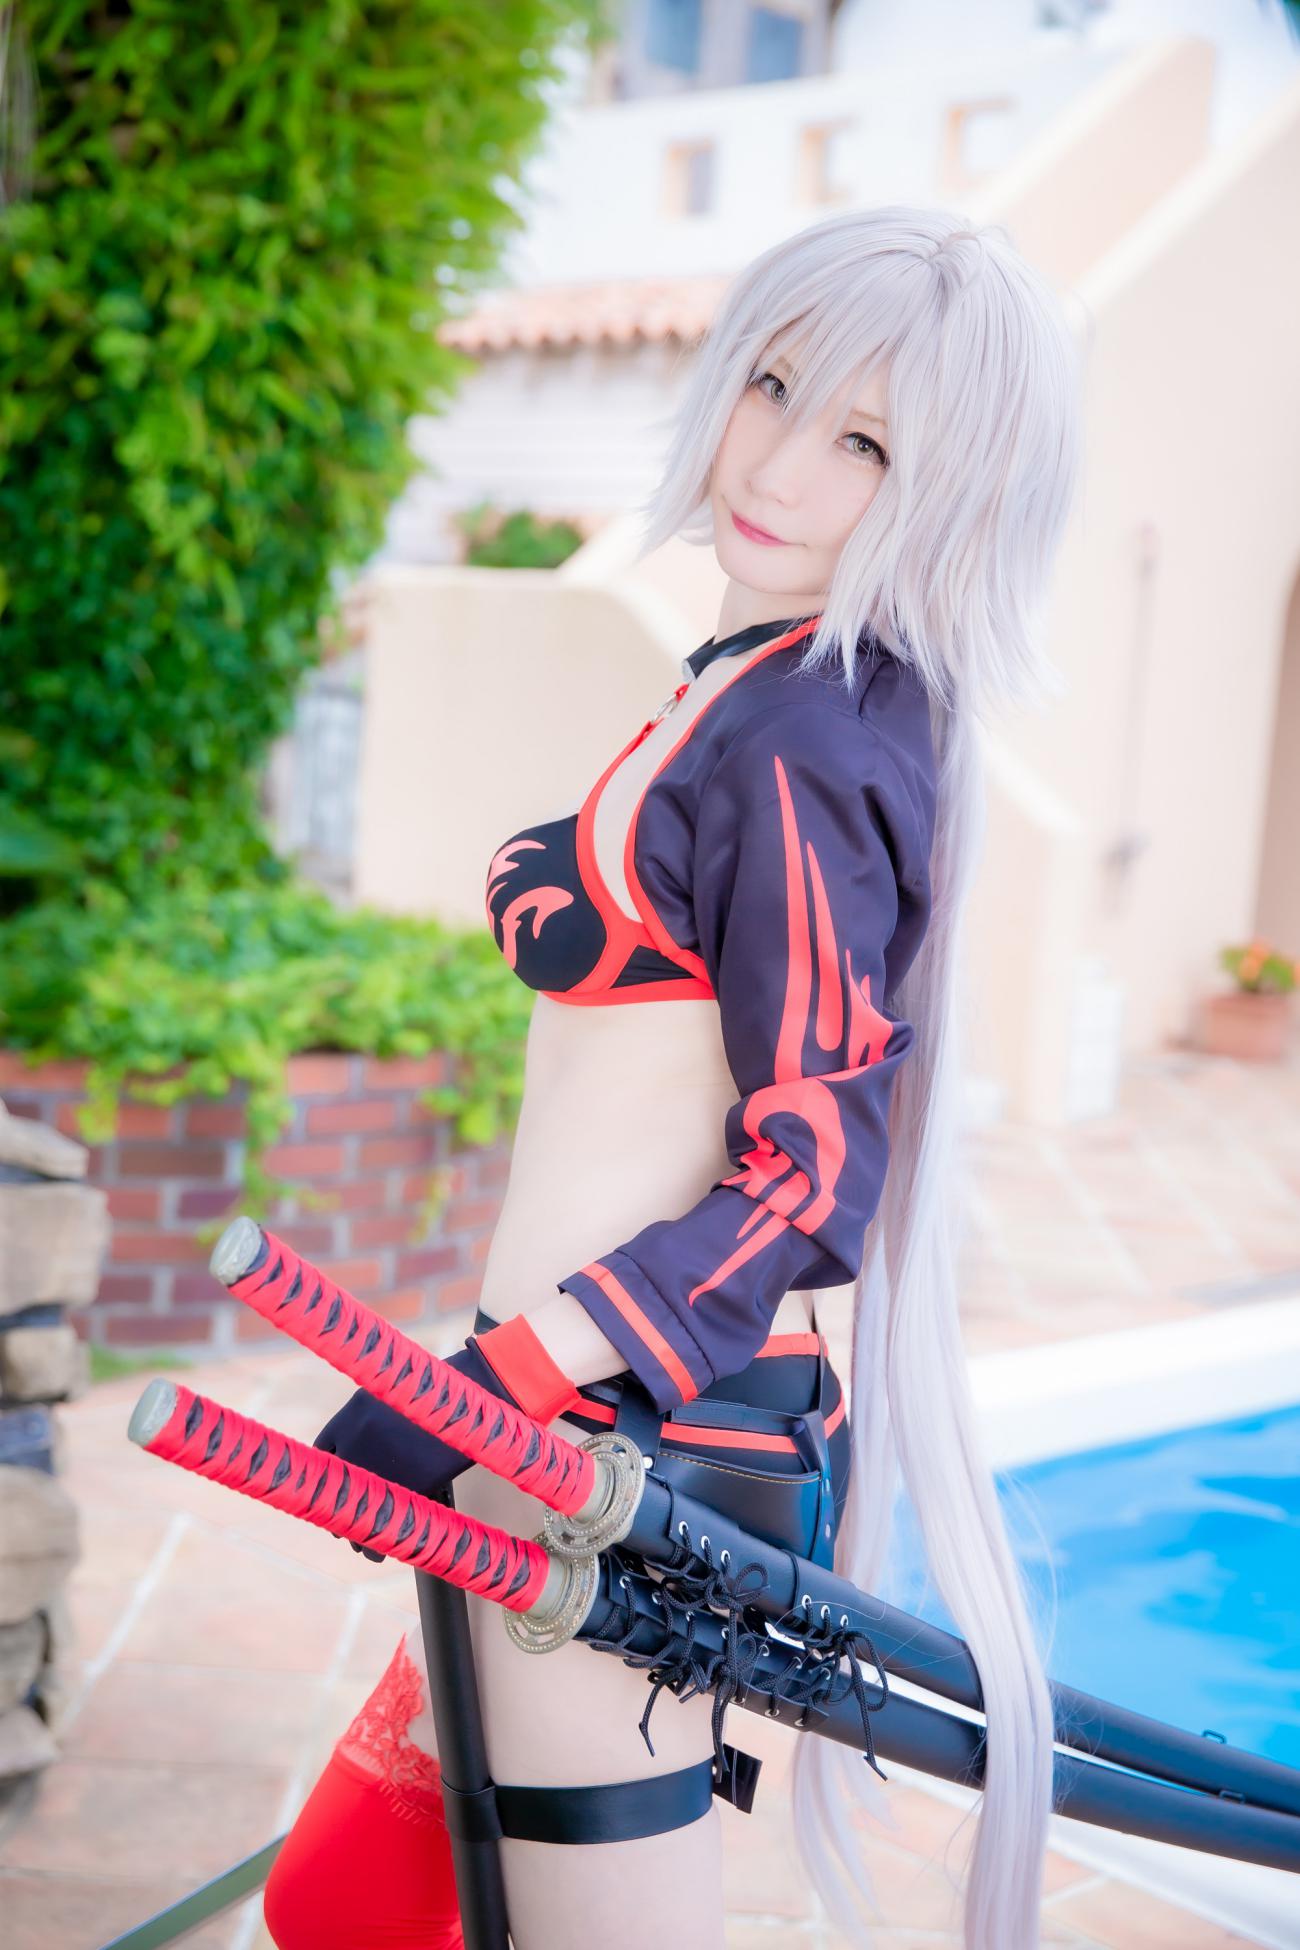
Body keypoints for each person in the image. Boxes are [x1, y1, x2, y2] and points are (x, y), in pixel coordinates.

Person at [262, 203, 1082, 1950]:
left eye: (866, 443)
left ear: (953, 491)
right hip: (557, 1419)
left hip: (616, 1447)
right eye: (772, 386)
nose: (777, 465)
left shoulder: (809, 734)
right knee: (349, 1900)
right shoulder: (758, 686)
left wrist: (494, 1382)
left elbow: (811, 1176)